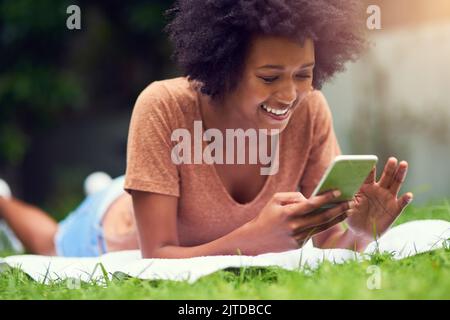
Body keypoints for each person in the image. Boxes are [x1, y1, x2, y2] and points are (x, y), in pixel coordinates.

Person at [0, 0, 414, 258]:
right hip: (109, 230)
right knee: (50, 243)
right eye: (270, 77)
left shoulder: (310, 111)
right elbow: (156, 255)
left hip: (159, 185)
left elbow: (328, 244)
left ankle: (119, 184)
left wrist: (362, 232)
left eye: (304, 73)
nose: (290, 94)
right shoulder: (162, 105)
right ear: (225, 66)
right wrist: (253, 237)